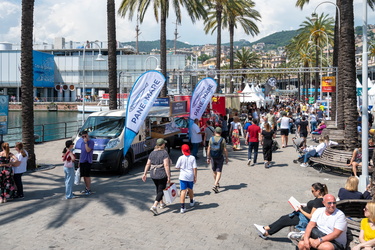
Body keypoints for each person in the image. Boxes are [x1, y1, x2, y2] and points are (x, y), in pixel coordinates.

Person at [254, 183, 328, 239]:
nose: (312, 193)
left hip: (303, 219)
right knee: (283, 219)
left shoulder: (318, 201)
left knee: (283, 221)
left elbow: (311, 216)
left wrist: (301, 210)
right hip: (301, 215)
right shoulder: (321, 199)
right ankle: (264, 229)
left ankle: (265, 233)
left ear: (318, 191)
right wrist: (304, 206)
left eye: (312, 191)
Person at [142, 138, 171, 215]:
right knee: (161, 190)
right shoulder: (164, 153)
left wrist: (144, 173)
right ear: (162, 145)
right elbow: (166, 165)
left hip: (153, 174)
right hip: (161, 174)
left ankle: (161, 203)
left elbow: (148, 164)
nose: (165, 144)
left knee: (158, 188)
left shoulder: (152, 153)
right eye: (164, 143)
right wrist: (168, 176)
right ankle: (154, 206)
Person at [175, 144, 197, 214]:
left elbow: (176, 167)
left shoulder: (180, 158)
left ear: (182, 151)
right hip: (190, 176)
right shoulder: (192, 157)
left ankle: (182, 207)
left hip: (183, 176)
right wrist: (195, 176)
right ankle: (191, 201)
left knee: (183, 191)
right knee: (190, 189)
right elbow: (195, 168)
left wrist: (181, 167)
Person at [207, 127, 228, 194]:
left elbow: (209, 148)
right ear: (221, 132)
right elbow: (225, 149)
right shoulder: (223, 140)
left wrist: (208, 157)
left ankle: (216, 183)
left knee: (214, 171)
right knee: (219, 171)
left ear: (215, 132)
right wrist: (226, 157)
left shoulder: (211, 139)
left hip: (213, 157)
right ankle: (215, 184)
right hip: (220, 157)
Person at [79, 131, 94, 195]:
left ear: (87, 135)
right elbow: (82, 152)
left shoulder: (91, 142)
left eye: (85, 136)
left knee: (87, 175)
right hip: (82, 161)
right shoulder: (82, 143)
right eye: (82, 136)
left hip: (88, 161)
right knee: (84, 176)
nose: (84, 137)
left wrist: (86, 143)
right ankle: (86, 187)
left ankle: (88, 189)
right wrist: (79, 161)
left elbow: (88, 150)